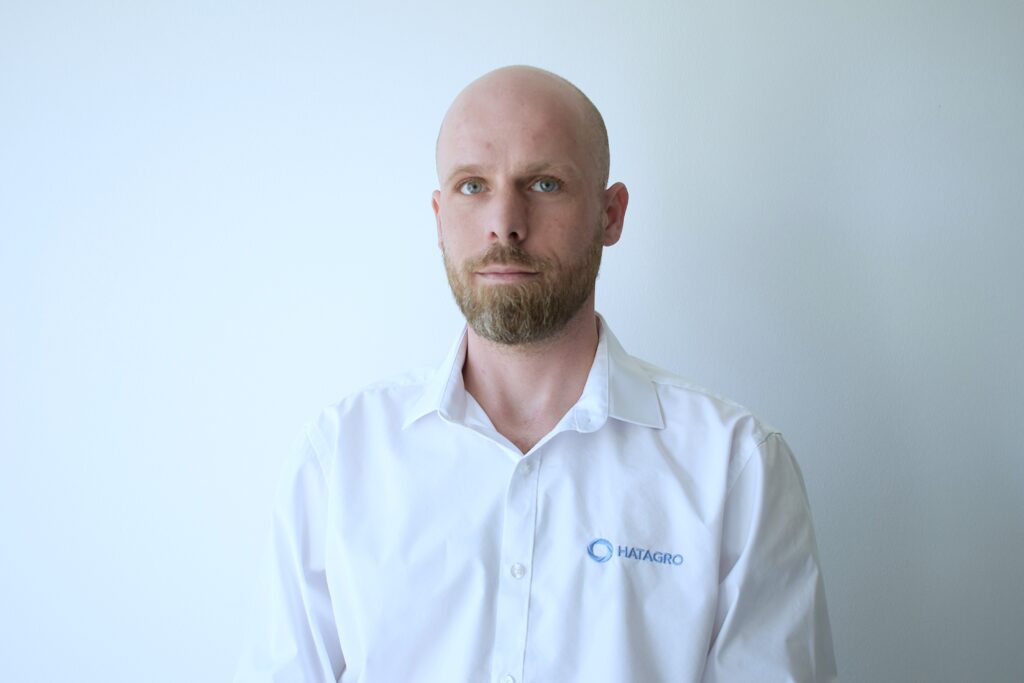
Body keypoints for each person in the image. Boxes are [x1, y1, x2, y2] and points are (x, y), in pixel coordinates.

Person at [235, 65, 837, 682]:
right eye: (473, 186)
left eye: (545, 183)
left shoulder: (734, 467)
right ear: (439, 217)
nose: (505, 222)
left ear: (611, 214)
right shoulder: (340, 459)